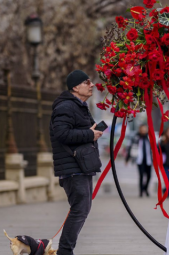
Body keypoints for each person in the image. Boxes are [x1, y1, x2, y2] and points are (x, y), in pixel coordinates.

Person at [50, 70, 103, 255]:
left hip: (81, 166)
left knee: (82, 209)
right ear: (75, 87)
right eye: (87, 82)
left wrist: (92, 133)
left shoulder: (79, 106)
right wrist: (89, 134)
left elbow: (77, 132)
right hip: (73, 168)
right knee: (80, 209)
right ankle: (65, 251)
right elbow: (61, 134)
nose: (92, 85)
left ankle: (65, 250)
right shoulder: (66, 106)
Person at [126, 124, 152, 197]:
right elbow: (130, 148)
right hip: (139, 160)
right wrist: (127, 159)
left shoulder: (149, 137)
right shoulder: (136, 137)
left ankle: (145, 188)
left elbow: (155, 148)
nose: (143, 131)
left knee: (149, 176)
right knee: (141, 176)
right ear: (139, 129)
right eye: (142, 129)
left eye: (145, 129)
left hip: (148, 160)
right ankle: (141, 192)